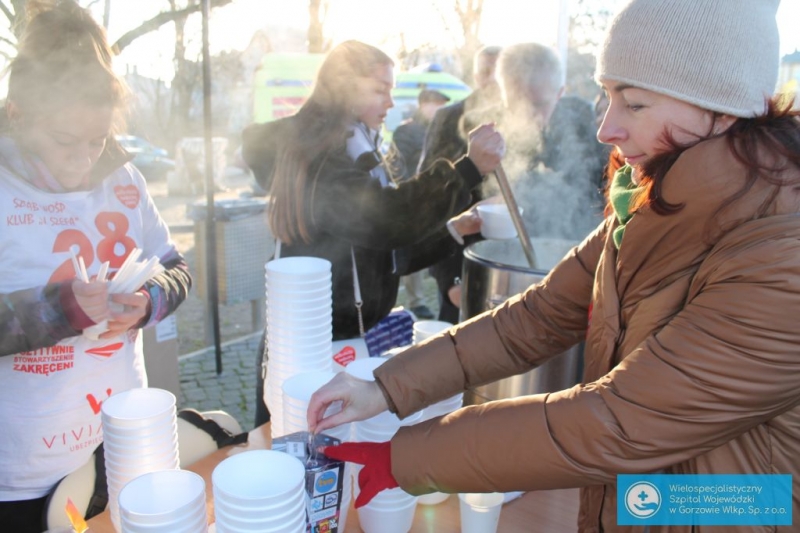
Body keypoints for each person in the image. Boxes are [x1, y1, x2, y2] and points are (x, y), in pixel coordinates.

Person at [308, 1, 800, 531]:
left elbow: (619, 422)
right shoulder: (652, 207)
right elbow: (536, 317)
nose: (606, 128)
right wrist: (383, 388)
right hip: (646, 501)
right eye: (607, 97)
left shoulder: (781, 253)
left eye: (635, 103)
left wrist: (407, 458)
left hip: (744, 507)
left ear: (723, 110)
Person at [241, 40, 504, 427]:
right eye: (381, 90)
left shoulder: (358, 146)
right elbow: (384, 220)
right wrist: (465, 171)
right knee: (298, 443)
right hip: (307, 349)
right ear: (345, 87)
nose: (390, 103)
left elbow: (387, 252)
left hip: (350, 341)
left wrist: (455, 229)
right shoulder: (321, 158)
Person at [0, 2, 192, 531]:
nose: (84, 158)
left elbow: (176, 268)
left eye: (98, 139)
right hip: (21, 475)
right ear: (17, 114)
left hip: (121, 445)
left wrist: (148, 302)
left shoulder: (124, 179)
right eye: (65, 141)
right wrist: (58, 309)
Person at [425, 42, 605, 323]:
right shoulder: (457, 123)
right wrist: (451, 284)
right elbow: (433, 207)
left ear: (560, 92)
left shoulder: (584, 127)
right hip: (477, 284)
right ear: (501, 89)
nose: (529, 115)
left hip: (557, 290)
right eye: (518, 103)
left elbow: (600, 200)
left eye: (540, 104)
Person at [391, 88, 452, 320]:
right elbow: (400, 164)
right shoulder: (406, 130)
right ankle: (416, 301)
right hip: (413, 195)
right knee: (412, 245)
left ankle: (439, 292)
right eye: (436, 104)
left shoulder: (438, 128)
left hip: (435, 196)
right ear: (423, 104)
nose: (440, 108)